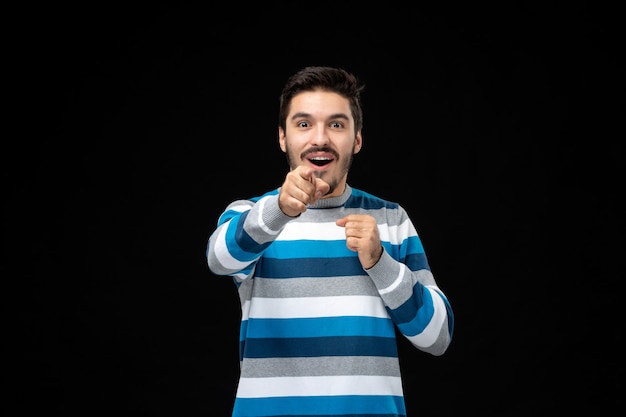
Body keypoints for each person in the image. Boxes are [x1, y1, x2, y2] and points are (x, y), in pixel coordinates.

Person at [206, 65, 454, 417]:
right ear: (282, 137)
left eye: (336, 124)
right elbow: (218, 259)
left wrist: (381, 263)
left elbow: (438, 337)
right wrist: (277, 209)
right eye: (304, 124)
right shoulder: (253, 214)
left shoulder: (391, 219)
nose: (320, 138)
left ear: (357, 139)